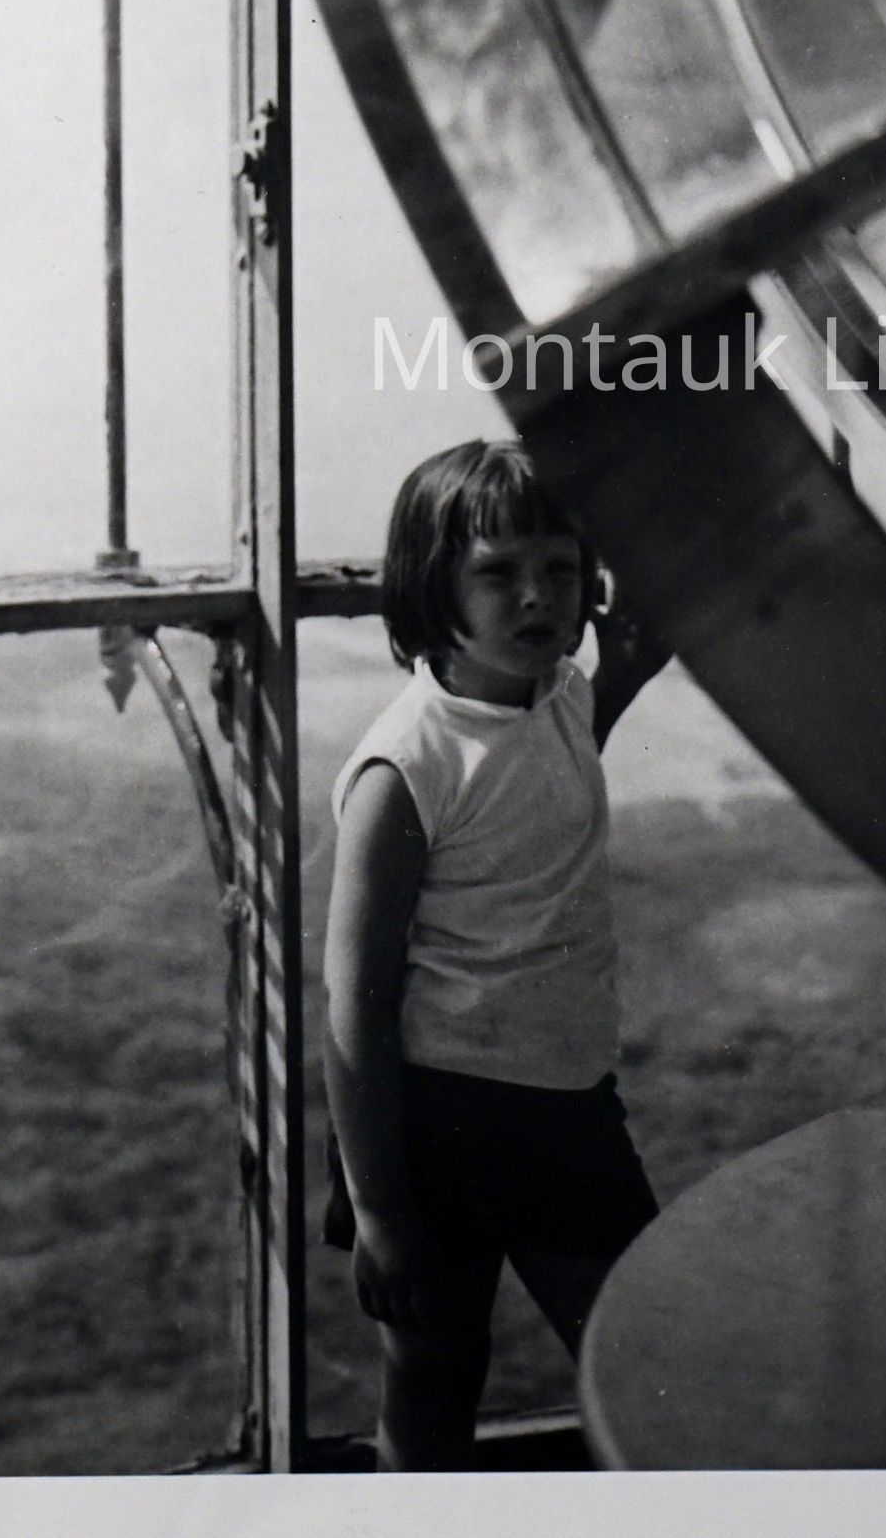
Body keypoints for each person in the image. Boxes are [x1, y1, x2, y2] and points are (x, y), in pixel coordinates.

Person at [322, 438, 672, 1470]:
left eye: (561, 569)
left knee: (640, 1351)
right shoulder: (405, 765)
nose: (537, 596)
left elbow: (552, 767)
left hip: (566, 1106)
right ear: (431, 590)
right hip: (436, 1121)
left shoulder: (560, 701)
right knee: (433, 1372)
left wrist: (631, 640)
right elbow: (352, 1001)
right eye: (498, 572)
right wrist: (381, 1213)